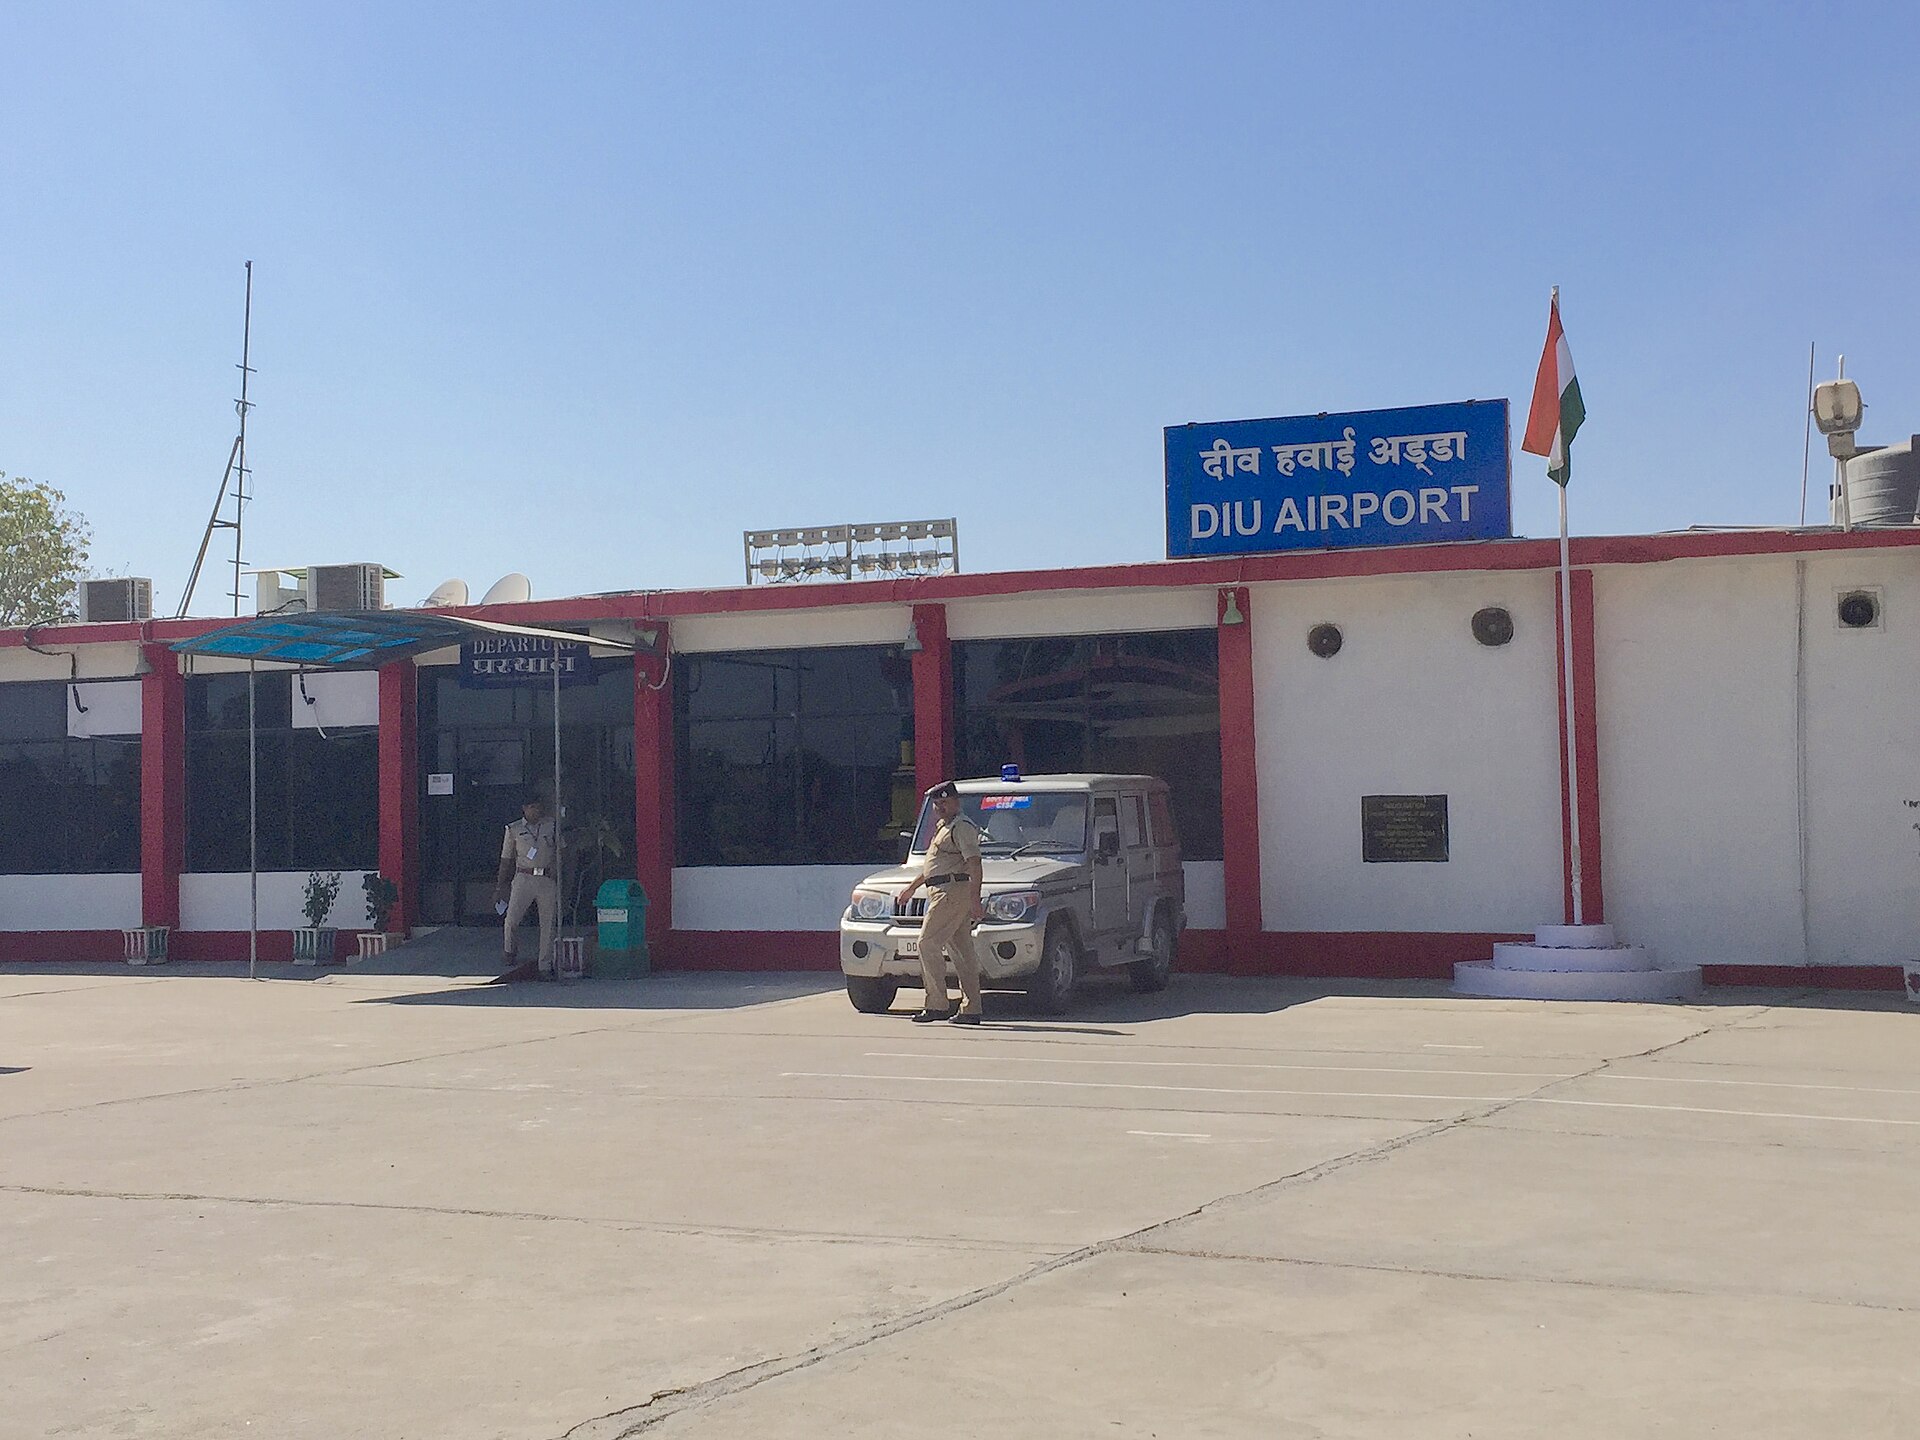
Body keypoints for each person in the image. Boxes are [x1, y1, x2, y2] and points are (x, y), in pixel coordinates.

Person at [894, 780, 986, 1024]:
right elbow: (933, 868)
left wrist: (975, 899)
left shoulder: (962, 827)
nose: (940, 807)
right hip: (944, 889)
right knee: (962, 952)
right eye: (937, 804)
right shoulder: (943, 827)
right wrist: (911, 888)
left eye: (944, 802)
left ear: (956, 802)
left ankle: (937, 1005)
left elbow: (974, 864)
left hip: (951, 892)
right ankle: (971, 1009)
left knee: (927, 943)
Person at [492, 795, 558, 983]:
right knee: (512, 918)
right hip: (524, 877)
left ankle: (544, 965)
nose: (535, 811)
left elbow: (560, 850)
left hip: (545, 878)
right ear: (524, 808)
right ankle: (509, 950)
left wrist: (559, 872)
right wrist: (500, 886)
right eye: (531, 807)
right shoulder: (514, 829)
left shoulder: (551, 826)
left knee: (548, 923)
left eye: (538, 807)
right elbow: (506, 859)